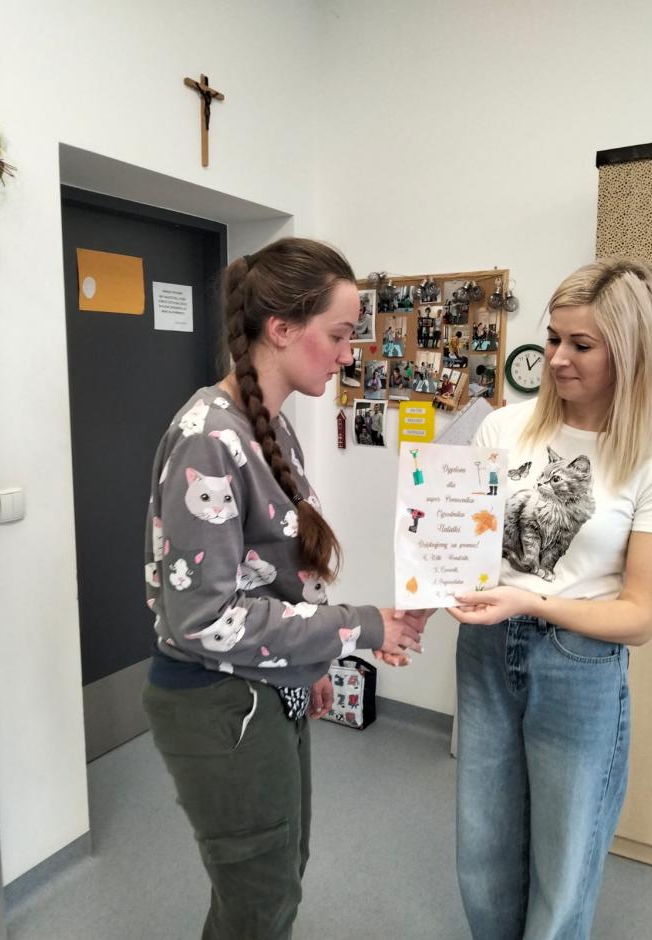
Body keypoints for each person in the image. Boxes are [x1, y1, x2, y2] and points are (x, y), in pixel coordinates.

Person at [141, 237, 428, 940]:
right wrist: (360, 626)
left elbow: (273, 571)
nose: (346, 354)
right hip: (218, 699)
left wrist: (310, 662)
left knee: (278, 876)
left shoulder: (270, 429)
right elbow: (205, 618)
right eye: (338, 334)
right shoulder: (209, 438)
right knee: (258, 900)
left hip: (264, 686)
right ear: (280, 328)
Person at [447, 258, 652, 940]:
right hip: (486, 649)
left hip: (579, 663)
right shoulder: (503, 428)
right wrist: (431, 583)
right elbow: (461, 540)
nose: (556, 358)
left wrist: (531, 604)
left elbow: (638, 616)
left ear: (628, 354)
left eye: (581, 345)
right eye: (552, 337)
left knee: (566, 853)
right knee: (483, 843)